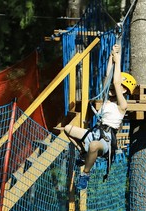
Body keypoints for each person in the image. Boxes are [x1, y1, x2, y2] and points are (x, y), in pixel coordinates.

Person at [57, 44, 137, 190]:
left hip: (106, 140)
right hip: (95, 133)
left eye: (118, 88)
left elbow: (115, 82)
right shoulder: (107, 99)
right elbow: (109, 78)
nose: (113, 89)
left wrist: (118, 61)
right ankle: (83, 153)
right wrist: (111, 57)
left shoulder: (122, 105)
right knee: (67, 128)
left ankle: (85, 174)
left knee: (94, 145)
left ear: (124, 90)